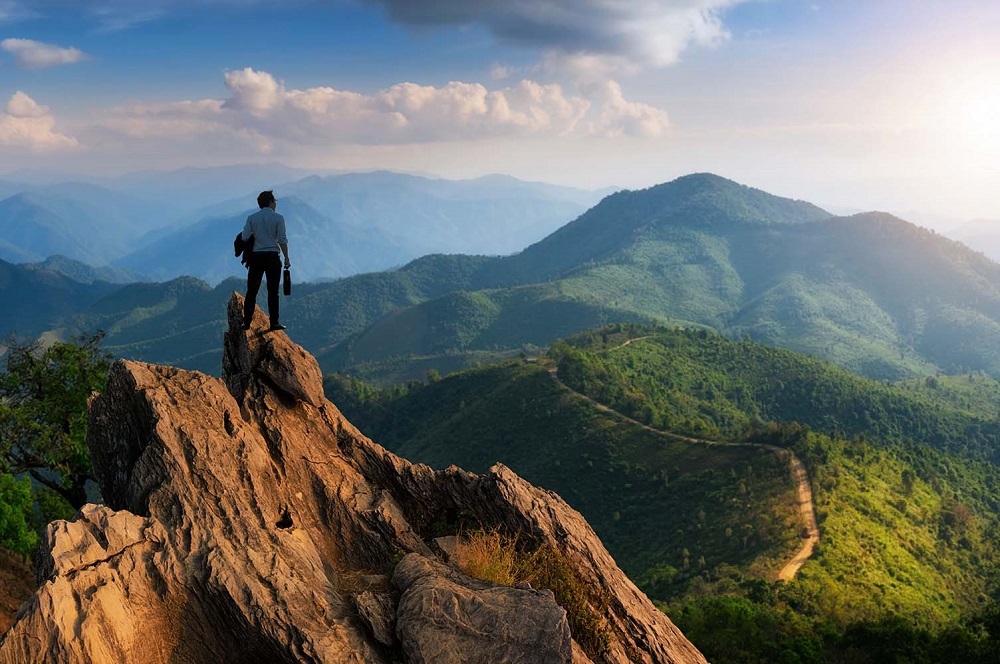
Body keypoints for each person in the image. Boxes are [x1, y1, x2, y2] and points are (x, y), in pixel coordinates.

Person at [242, 190, 290, 331]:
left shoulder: (252, 218)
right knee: (273, 292)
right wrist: (286, 257)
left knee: (252, 290)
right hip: (273, 257)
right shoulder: (278, 218)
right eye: (274, 201)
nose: (275, 203)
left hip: (256, 257)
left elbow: (245, 237)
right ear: (270, 202)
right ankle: (274, 323)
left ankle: (246, 322)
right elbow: (282, 239)